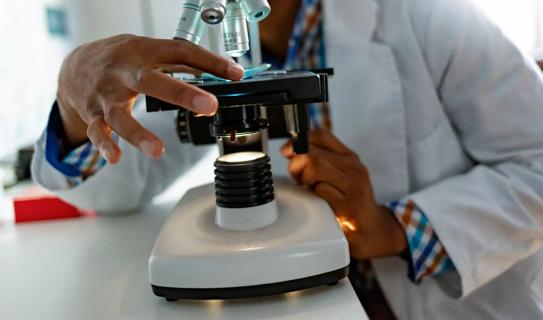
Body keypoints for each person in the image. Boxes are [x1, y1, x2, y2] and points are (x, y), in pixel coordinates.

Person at [32, 0, 543, 319]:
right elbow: (121, 183)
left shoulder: (429, 15)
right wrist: (75, 98)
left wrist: (391, 228)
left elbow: (536, 165)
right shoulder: (205, 44)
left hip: (444, 303)